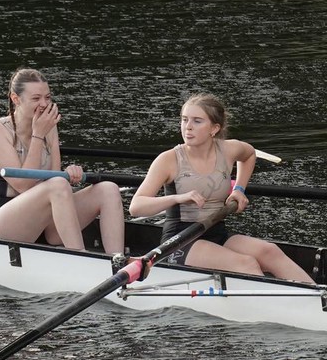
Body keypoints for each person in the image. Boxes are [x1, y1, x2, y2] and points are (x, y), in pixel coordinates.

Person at [129, 93, 314, 283]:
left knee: (269, 251)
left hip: (217, 232)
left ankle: (319, 297)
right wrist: (178, 198)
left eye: (197, 121)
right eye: (184, 120)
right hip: (180, 242)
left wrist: (239, 189)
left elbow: (249, 154)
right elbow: (136, 207)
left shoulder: (228, 149)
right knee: (246, 264)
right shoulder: (168, 160)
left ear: (214, 128)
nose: (188, 127)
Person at [0, 68, 125, 255]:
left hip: (45, 223)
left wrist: (70, 174)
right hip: (1, 222)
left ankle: (117, 261)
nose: (44, 104)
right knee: (57, 185)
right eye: (36, 98)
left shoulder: (50, 128)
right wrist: (38, 135)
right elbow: (23, 186)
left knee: (108, 189)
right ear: (16, 99)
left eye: (47, 97)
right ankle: (80, 256)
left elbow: (57, 181)